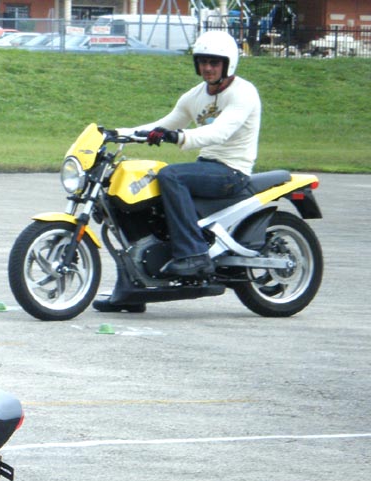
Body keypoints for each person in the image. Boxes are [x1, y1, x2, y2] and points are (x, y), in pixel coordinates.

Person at [95, 30, 261, 313]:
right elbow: (163, 124)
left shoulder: (243, 93)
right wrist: (116, 133)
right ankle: (133, 288)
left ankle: (194, 254)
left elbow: (220, 132)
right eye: (203, 62)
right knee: (134, 200)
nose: (207, 68)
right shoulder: (194, 96)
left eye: (214, 62)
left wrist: (179, 137)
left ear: (228, 64)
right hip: (206, 167)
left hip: (232, 172)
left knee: (170, 175)